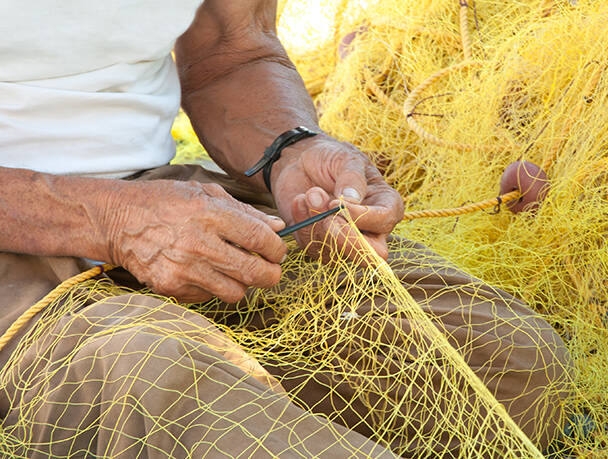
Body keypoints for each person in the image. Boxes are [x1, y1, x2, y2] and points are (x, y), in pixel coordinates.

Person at [0, 0, 572, 456]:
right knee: (162, 374)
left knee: (516, 367)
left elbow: (233, 51)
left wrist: (291, 150)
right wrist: (114, 218)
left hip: (167, 192)